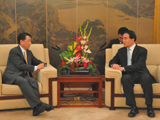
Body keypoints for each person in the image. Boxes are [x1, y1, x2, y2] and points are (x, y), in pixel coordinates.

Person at [2, 32, 54, 116]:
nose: (30, 43)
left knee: (33, 81)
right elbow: (21, 66)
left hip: (22, 75)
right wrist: (36, 68)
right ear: (21, 41)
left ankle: (36, 109)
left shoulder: (29, 53)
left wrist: (43, 64)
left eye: (31, 41)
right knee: (24, 81)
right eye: (28, 41)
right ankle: (39, 105)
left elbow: (37, 61)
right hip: (12, 75)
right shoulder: (14, 51)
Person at [109, 30, 156, 117]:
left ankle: (149, 107)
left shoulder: (142, 50)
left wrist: (123, 68)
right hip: (129, 75)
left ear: (132, 39)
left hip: (141, 73)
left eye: (125, 38)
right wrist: (113, 64)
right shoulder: (121, 51)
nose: (123, 41)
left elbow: (139, 65)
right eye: (122, 38)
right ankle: (133, 107)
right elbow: (112, 61)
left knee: (146, 78)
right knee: (125, 78)